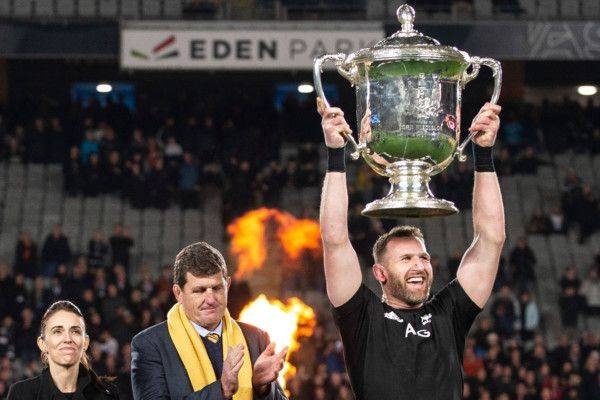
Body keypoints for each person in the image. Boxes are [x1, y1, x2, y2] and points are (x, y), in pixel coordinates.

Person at [317, 97, 504, 400]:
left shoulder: (448, 314)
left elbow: (492, 239)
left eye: (423, 257)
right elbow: (334, 239)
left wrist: (483, 154)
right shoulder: (362, 317)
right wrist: (335, 154)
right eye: (406, 258)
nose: (419, 265)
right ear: (380, 272)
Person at [130, 241, 288, 400]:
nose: (210, 299)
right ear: (178, 293)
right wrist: (221, 390)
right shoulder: (150, 344)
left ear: (228, 285)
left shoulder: (256, 338)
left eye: (217, 288)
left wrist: (263, 388)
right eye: (200, 290)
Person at [7, 300, 119, 399]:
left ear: (85, 343)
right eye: (57, 331)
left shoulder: (106, 394)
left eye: (75, 331)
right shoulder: (22, 394)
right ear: (42, 344)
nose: (68, 339)